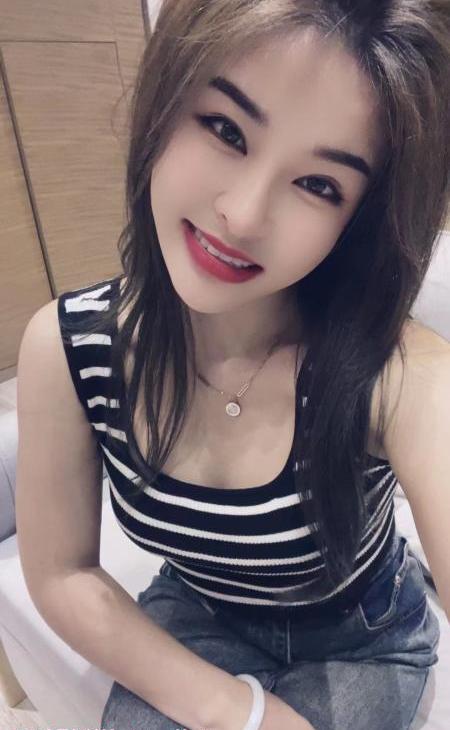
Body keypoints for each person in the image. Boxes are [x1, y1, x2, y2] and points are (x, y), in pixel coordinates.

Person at [16, 1, 449, 729]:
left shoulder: (393, 372)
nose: (244, 215)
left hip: (363, 636)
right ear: (164, 99)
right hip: (199, 610)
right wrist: (237, 710)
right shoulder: (68, 348)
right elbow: (61, 572)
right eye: (225, 129)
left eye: (320, 185)